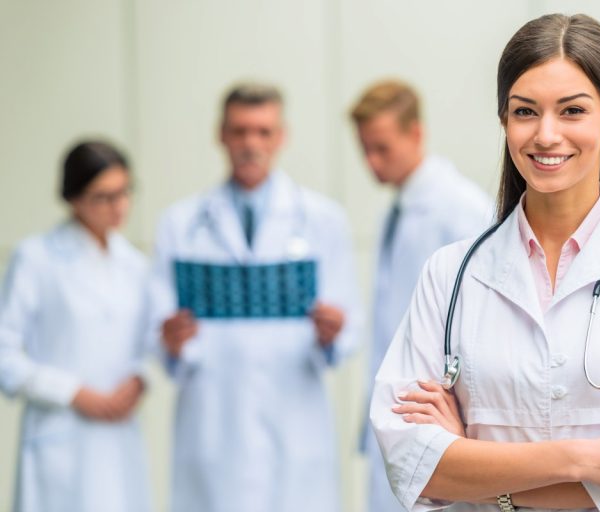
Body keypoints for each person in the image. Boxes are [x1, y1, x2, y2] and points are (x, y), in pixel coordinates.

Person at [370, 13, 600, 511]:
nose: (546, 135)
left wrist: (471, 461)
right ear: (505, 119)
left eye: (572, 111)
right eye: (525, 112)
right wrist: (586, 460)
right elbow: (410, 464)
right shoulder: (449, 274)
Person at [151, 82, 361, 512]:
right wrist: (170, 341)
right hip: (213, 420)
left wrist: (332, 332)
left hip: (295, 418)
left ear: (281, 137)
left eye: (263, 132)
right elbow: (159, 332)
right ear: (221, 135)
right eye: (240, 131)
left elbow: (349, 326)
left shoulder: (323, 221)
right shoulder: (181, 223)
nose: (251, 143)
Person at [349, 79, 493, 512]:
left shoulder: (462, 210)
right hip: (400, 410)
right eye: (365, 150)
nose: (372, 162)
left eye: (382, 148)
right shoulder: (398, 211)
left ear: (415, 134)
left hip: (436, 419)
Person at [0, 141, 152, 512]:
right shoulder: (36, 258)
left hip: (120, 433)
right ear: (73, 198)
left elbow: (146, 342)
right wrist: (74, 393)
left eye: (124, 192)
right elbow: (4, 356)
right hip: (60, 434)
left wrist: (138, 379)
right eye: (103, 197)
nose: (119, 207)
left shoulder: (134, 264)